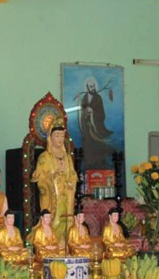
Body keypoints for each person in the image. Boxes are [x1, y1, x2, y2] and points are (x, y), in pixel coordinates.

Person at [30, 116, 77, 246]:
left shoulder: (67, 157)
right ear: (50, 137)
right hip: (52, 198)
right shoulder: (44, 157)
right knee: (53, 220)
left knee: (67, 220)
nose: (60, 139)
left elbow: (73, 175)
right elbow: (40, 180)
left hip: (66, 196)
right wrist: (52, 178)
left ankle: (65, 243)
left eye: (62, 136)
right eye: (57, 136)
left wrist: (70, 182)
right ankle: (50, 243)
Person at [78, 77, 113, 168]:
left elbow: (102, 114)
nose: (93, 88)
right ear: (87, 87)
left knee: (98, 149)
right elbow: (81, 112)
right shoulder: (84, 98)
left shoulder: (98, 98)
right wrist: (86, 112)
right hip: (87, 130)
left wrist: (92, 112)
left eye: (94, 86)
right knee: (88, 149)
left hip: (96, 129)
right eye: (91, 86)